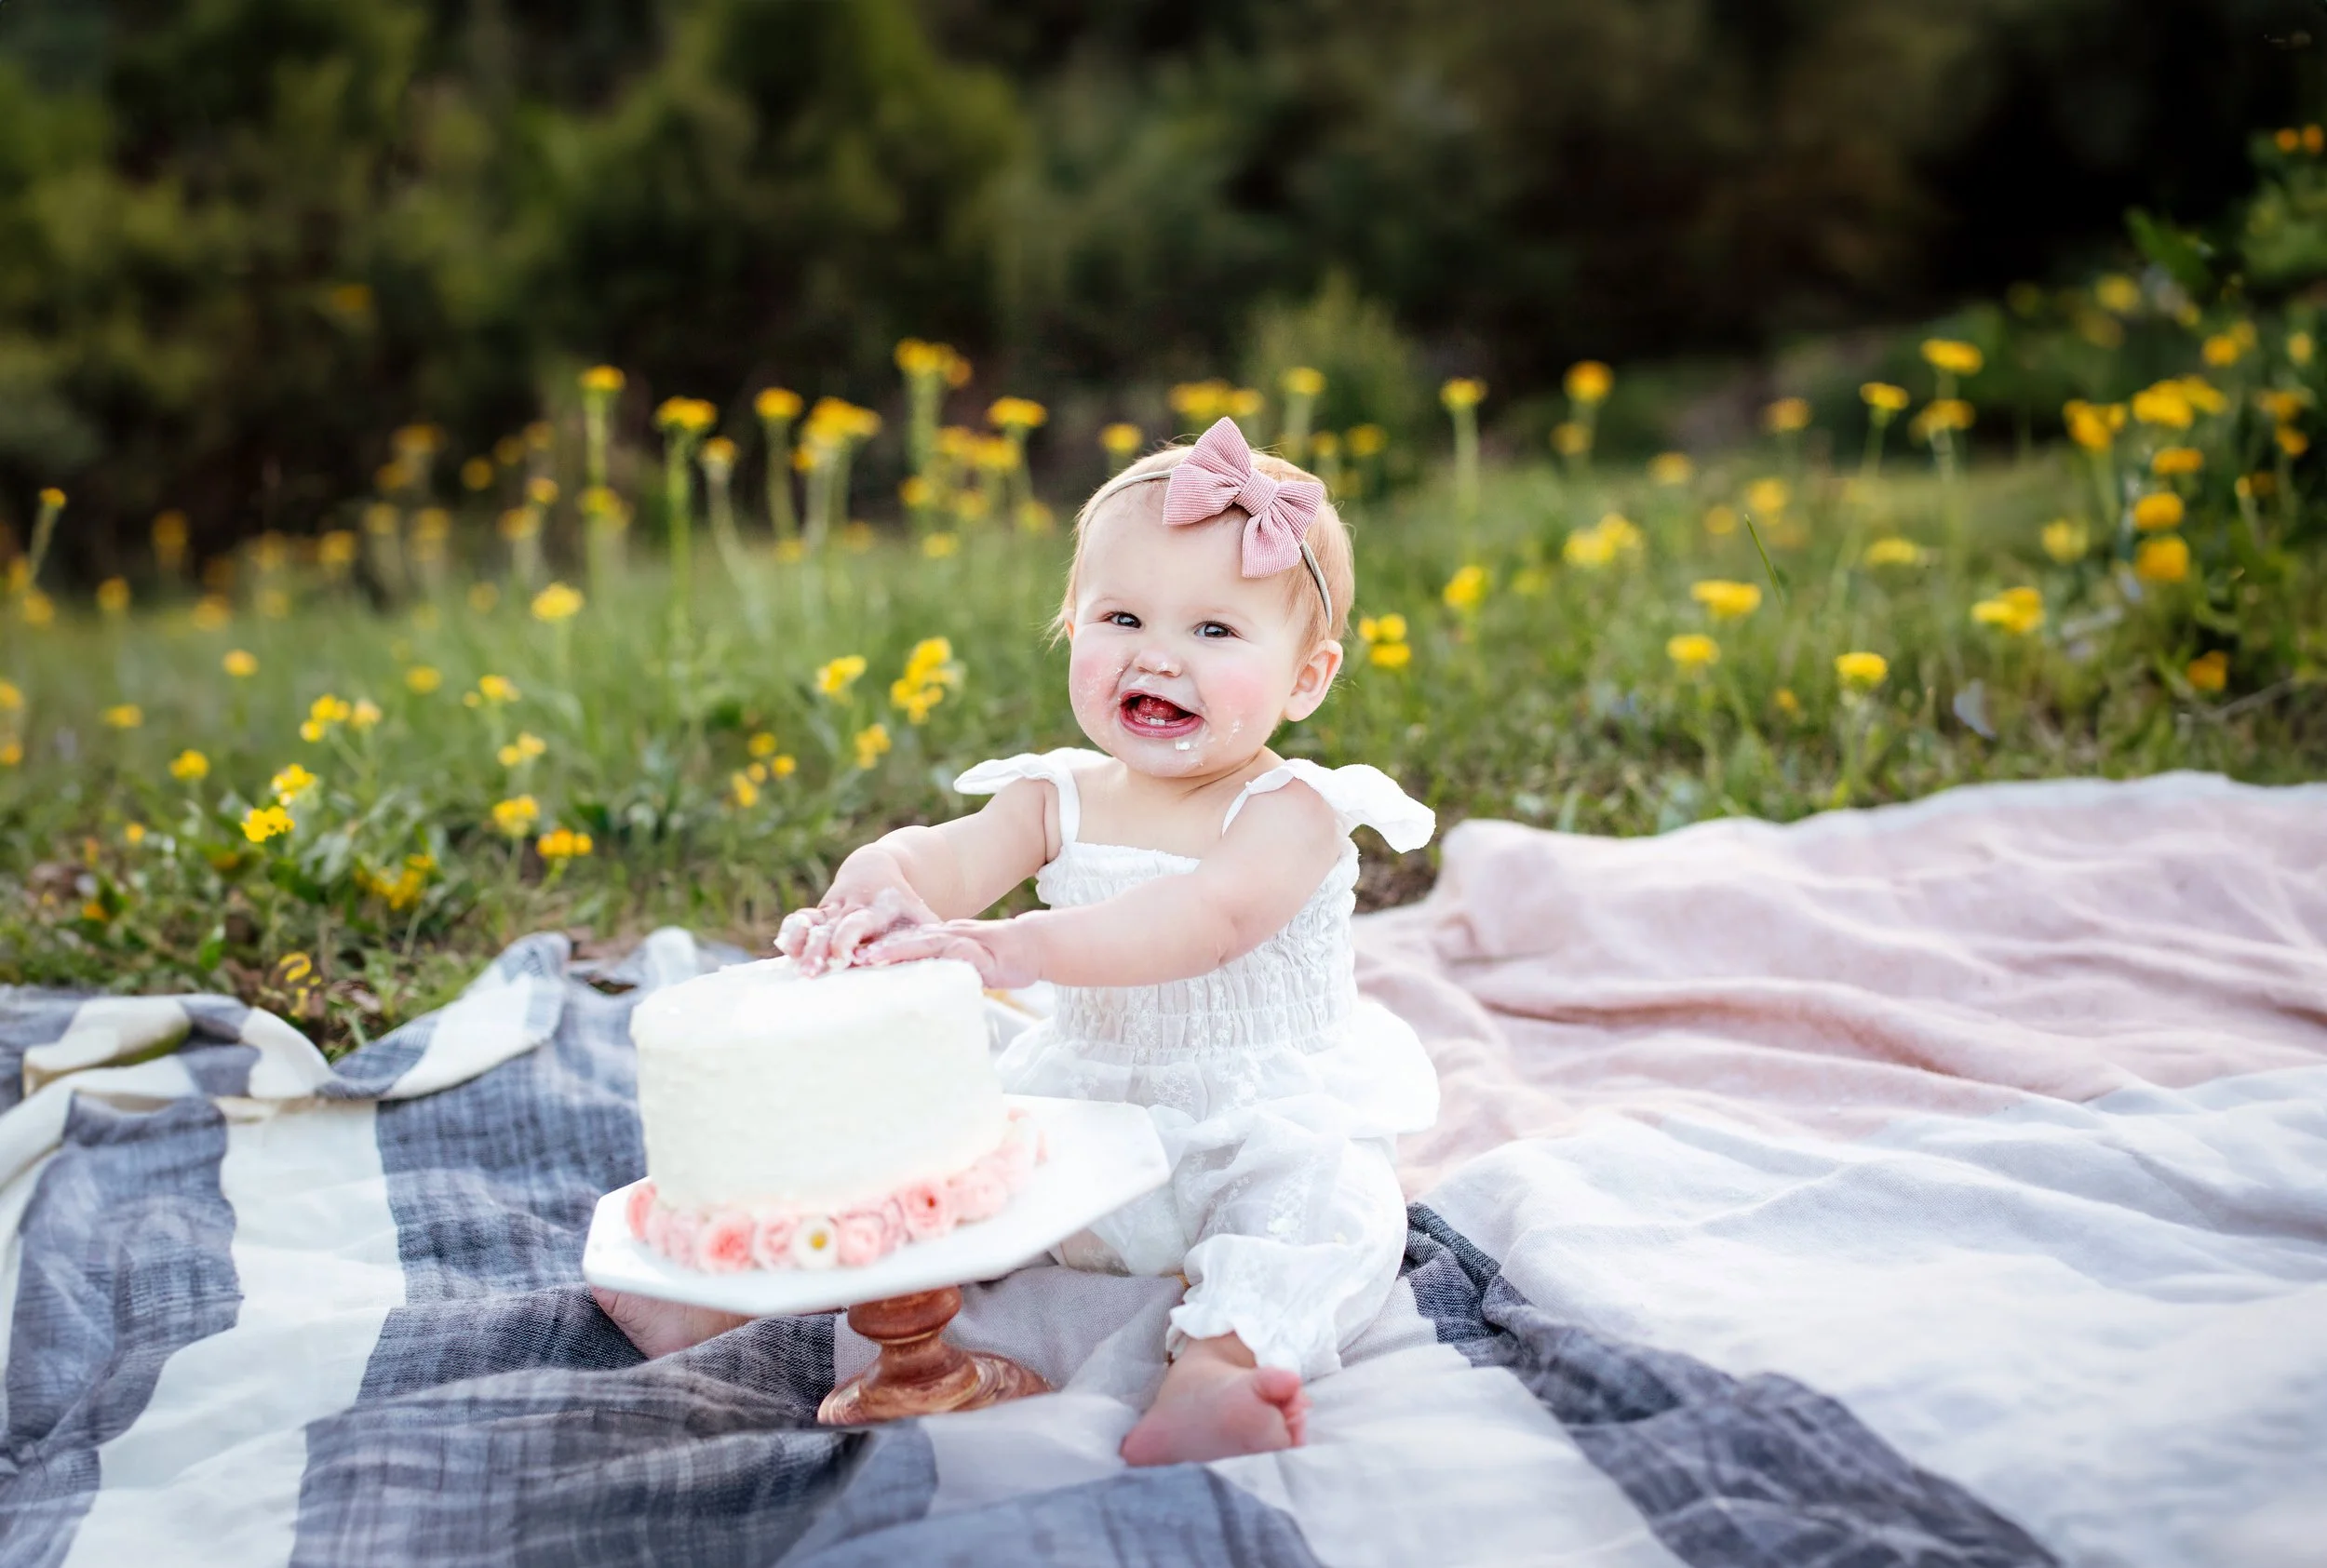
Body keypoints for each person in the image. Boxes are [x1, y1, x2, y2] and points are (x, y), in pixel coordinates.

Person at [599, 417, 1437, 1467]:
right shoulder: (1057, 793)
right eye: (1122, 616)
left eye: (1215, 630)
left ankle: (1218, 1369)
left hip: (1255, 1110)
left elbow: (1208, 921)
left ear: (1306, 678)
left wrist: (1022, 946)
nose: (1158, 654)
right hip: (1083, 1107)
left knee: (1325, 1210)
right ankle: (727, 1291)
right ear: (1070, 627)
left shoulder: (1292, 810)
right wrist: (884, 882)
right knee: (919, 1159)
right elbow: (948, 855)